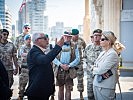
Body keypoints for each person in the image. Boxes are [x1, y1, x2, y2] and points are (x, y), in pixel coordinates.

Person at [25, 33, 64, 100]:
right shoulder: (34, 52)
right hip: (37, 92)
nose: (47, 40)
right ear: (38, 40)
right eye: (45, 38)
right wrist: (58, 47)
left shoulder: (39, 51)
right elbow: (45, 60)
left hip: (42, 91)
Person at [53, 31, 80, 100]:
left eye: (69, 36)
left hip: (69, 70)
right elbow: (53, 57)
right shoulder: (58, 44)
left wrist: (69, 65)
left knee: (68, 89)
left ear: (71, 37)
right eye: (65, 36)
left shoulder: (74, 45)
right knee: (60, 88)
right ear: (63, 36)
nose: (67, 38)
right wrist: (61, 65)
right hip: (59, 69)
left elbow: (78, 59)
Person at [92, 31, 119, 100]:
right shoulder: (103, 53)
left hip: (105, 87)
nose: (100, 40)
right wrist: (96, 68)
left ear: (109, 41)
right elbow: (96, 65)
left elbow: (101, 70)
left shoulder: (112, 54)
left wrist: (94, 69)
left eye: (102, 39)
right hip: (97, 84)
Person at [84, 29, 102, 100]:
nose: (96, 37)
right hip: (90, 75)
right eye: (95, 35)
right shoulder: (88, 47)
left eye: (98, 35)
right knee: (90, 94)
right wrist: (88, 66)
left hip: (101, 75)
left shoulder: (104, 48)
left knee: (100, 94)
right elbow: (84, 58)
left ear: (101, 37)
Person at [71, 29, 86, 100]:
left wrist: (84, 57)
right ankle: (69, 93)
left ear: (78, 35)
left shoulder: (81, 41)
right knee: (69, 79)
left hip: (79, 64)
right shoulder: (69, 41)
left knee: (80, 79)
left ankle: (81, 94)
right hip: (71, 64)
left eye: (76, 36)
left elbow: (85, 49)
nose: (75, 37)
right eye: (73, 35)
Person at [18, 34, 32, 100]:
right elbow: (22, 55)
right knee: (22, 85)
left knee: (31, 85)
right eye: (27, 39)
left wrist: (28, 56)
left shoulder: (32, 47)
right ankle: (21, 96)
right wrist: (30, 55)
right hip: (24, 69)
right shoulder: (22, 47)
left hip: (31, 69)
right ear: (25, 40)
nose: (29, 40)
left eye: (30, 39)